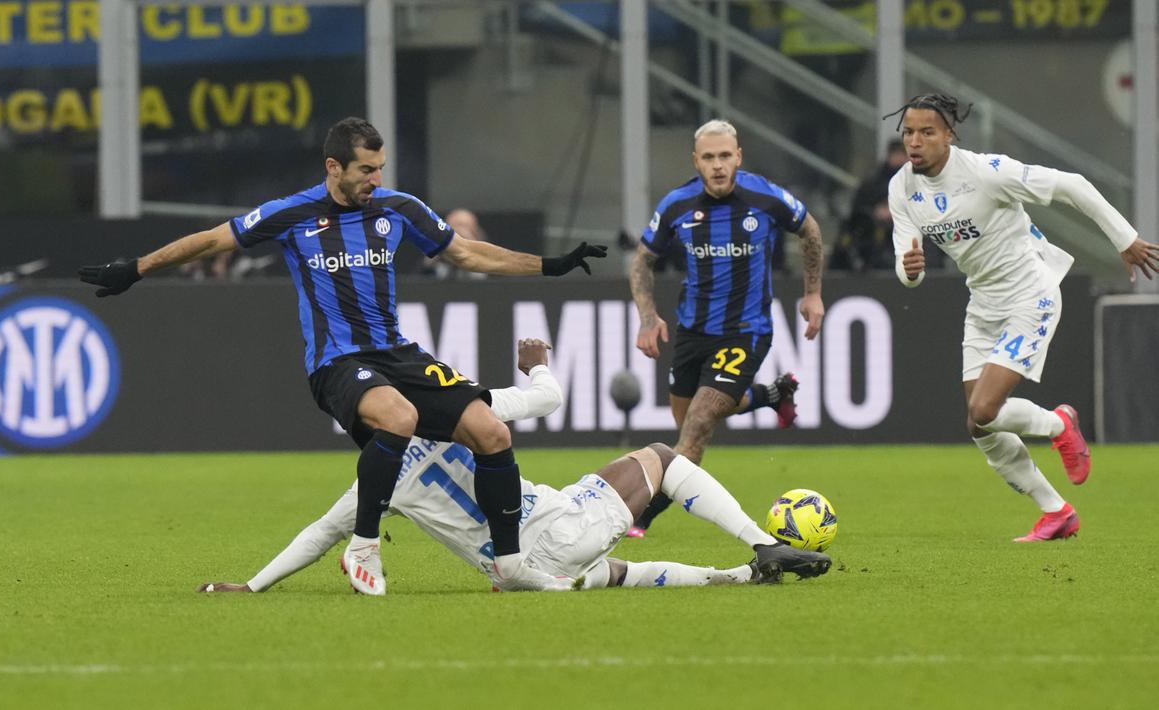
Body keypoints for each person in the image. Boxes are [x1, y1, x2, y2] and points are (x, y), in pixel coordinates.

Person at [79, 117, 607, 595]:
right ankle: (365, 546)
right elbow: (210, 241)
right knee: (399, 417)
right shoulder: (293, 213)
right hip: (337, 362)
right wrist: (136, 269)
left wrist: (550, 265)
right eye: (365, 170)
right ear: (334, 167)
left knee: (493, 433)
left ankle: (510, 565)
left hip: (397, 353)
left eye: (380, 169)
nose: (375, 179)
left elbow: (466, 252)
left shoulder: (399, 209)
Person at [197, 339, 831, 594]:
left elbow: (319, 535)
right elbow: (549, 398)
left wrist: (251, 587)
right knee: (660, 458)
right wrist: (537, 361)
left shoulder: (376, 479)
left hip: (521, 572)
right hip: (550, 528)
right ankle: (761, 545)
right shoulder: (453, 411)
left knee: (614, 571)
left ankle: (739, 579)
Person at [886, 93, 1159, 541]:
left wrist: (1124, 239)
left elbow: (1072, 185)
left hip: (1031, 296)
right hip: (983, 303)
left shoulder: (987, 173)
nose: (914, 142)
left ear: (949, 135)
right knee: (980, 426)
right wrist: (909, 272)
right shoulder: (902, 187)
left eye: (926, 132)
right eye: (909, 132)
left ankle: (1059, 424)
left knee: (984, 409)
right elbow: (906, 263)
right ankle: (1056, 512)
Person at [627, 119, 827, 535]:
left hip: (747, 330)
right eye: (708, 157)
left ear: (738, 157)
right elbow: (643, 259)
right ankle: (773, 393)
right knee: (690, 420)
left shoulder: (765, 197)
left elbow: (809, 230)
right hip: (694, 331)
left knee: (697, 427)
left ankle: (640, 518)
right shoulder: (678, 204)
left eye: (724, 156)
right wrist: (648, 316)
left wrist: (812, 294)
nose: (717, 166)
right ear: (696, 161)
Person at [829, 140, 908, 272]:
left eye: (904, 155)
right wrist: (876, 212)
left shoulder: (914, 180)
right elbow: (857, 211)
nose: (901, 159)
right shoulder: (873, 182)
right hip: (874, 234)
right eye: (898, 154)